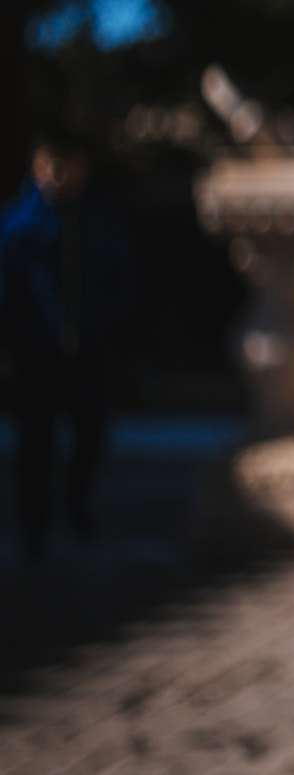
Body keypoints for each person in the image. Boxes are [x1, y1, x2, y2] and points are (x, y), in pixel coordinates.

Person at [0, 135, 136, 562]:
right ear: (37, 167)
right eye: (52, 165)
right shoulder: (19, 222)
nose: (60, 176)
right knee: (35, 440)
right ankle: (35, 523)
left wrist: (118, 324)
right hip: (36, 348)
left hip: (89, 344)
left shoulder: (99, 218)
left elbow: (122, 275)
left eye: (69, 165)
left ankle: (78, 509)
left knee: (90, 432)